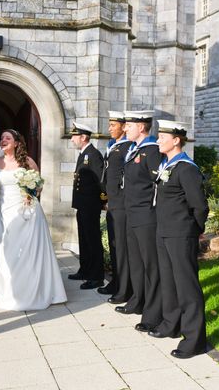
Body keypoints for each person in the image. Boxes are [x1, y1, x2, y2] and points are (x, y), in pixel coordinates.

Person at [0, 129, 67, 310]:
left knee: (31, 252)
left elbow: (38, 185)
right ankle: (5, 290)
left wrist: (31, 194)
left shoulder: (27, 162)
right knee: (5, 251)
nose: (3, 140)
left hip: (28, 212)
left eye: (8, 138)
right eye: (1, 138)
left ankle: (34, 290)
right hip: (5, 211)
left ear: (16, 142)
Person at [149, 120, 209, 359]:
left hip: (181, 234)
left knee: (187, 287)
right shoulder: (168, 164)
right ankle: (171, 324)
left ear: (176, 140)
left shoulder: (186, 168)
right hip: (164, 232)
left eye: (162, 137)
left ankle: (195, 340)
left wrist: (194, 230)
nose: (158, 141)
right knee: (169, 282)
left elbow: (199, 206)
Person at [115, 111, 163, 335]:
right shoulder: (134, 150)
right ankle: (138, 300)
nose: (125, 129)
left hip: (146, 215)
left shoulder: (151, 150)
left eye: (130, 125)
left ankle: (153, 314)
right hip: (131, 213)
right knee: (136, 262)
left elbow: (159, 183)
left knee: (150, 265)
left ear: (142, 127)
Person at [67, 121, 106, 290]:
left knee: (92, 240)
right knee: (83, 239)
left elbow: (101, 181)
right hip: (82, 204)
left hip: (91, 205)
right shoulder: (84, 153)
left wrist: (104, 200)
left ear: (83, 137)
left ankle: (96, 276)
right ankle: (85, 270)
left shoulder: (93, 154)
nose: (71, 140)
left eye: (74, 136)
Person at [100, 111, 132, 304]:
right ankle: (116, 281)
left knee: (121, 247)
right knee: (114, 245)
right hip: (112, 203)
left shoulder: (128, 147)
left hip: (121, 204)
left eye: (113, 125)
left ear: (123, 126)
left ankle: (124, 288)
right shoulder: (113, 146)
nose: (110, 128)